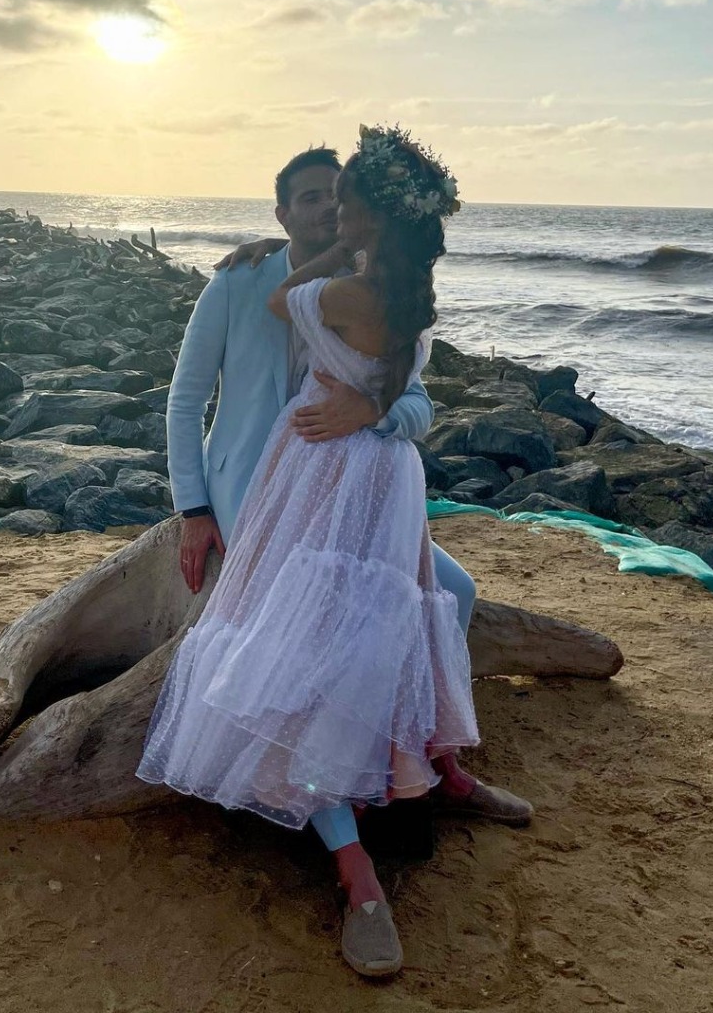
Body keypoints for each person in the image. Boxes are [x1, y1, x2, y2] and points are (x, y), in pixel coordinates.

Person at [139, 127, 510, 976]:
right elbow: (186, 397)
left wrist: (373, 414)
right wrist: (193, 509)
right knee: (305, 660)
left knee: (452, 592)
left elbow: (416, 402)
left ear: (356, 209)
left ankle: (437, 765)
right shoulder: (241, 279)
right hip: (255, 492)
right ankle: (354, 863)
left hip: (353, 482)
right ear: (284, 211)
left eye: (333, 194)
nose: (322, 207)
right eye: (308, 197)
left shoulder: (375, 286)